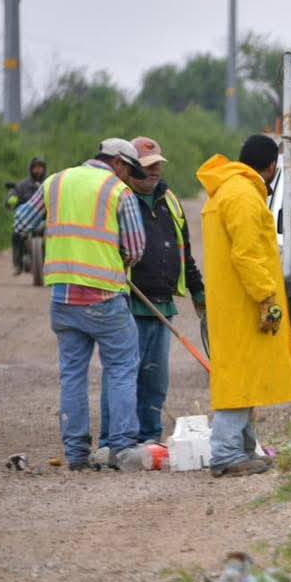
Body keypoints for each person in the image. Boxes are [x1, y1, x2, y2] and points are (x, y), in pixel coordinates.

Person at [13, 140, 147, 470]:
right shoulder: (119, 192)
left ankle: (75, 454)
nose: (130, 178)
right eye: (130, 171)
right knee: (121, 368)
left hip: (63, 298)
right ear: (118, 163)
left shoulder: (56, 181)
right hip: (104, 297)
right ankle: (122, 447)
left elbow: (20, 223)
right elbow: (135, 250)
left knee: (72, 374)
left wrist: (57, 230)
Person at [197, 135, 291, 477]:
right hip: (243, 302)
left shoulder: (228, 191)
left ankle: (243, 449)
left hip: (232, 303)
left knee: (245, 375)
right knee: (239, 378)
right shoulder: (242, 196)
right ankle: (226, 453)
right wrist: (266, 298)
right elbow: (246, 255)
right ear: (271, 167)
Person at [96, 137, 206, 448]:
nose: (155, 171)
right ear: (130, 169)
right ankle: (115, 440)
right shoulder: (119, 199)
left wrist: (198, 290)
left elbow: (184, 251)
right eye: (147, 166)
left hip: (162, 304)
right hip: (129, 303)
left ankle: (149, 437)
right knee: (123, 376)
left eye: (158, 164)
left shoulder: (169, 200)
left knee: (156, 379)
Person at [7, 155, 47, 274]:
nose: (38, 170)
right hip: (27, 222)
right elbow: (13, 193)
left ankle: (60, 267)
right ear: (31, 169)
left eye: (40, 167)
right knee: (16, 234)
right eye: (35, 167)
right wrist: (11, 199)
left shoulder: (49, 183)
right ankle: (18, 264)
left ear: (44, 169)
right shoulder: (22, 185)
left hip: (47, 221)